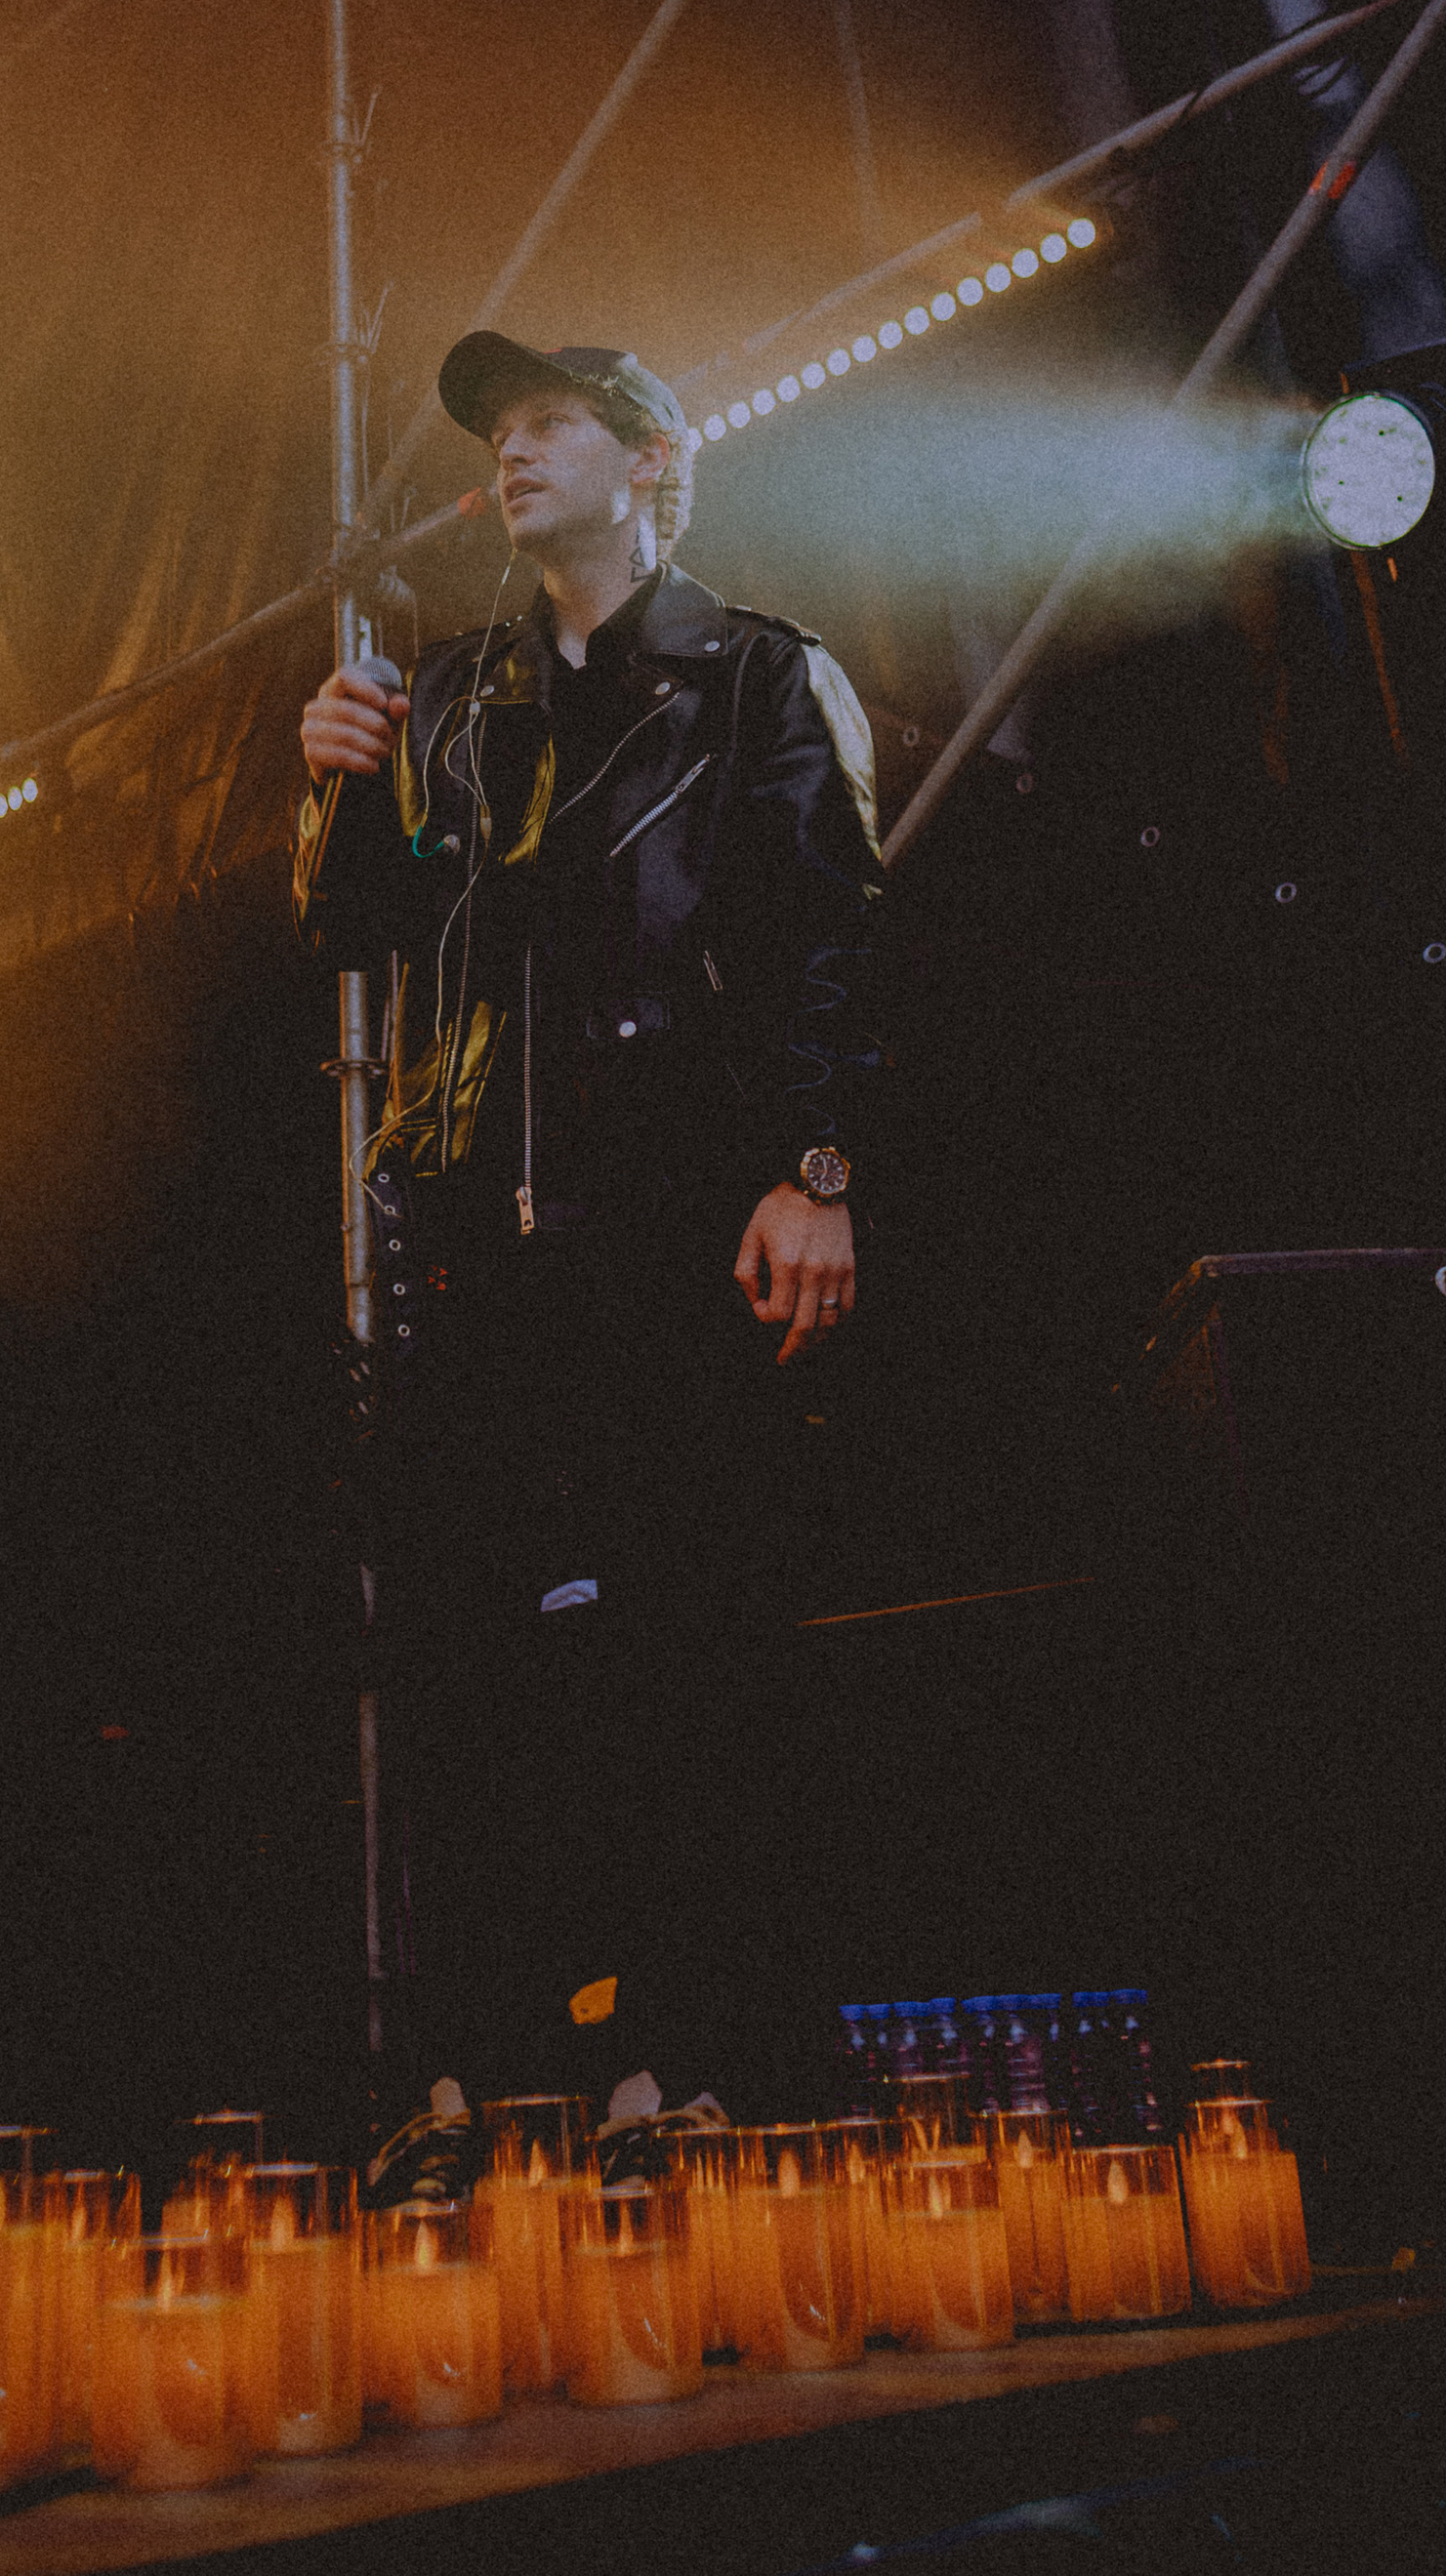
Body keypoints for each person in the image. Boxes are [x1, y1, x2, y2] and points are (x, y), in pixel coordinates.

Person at [296, 336, 882, 2123]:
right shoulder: (459, 695)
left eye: (548, 424)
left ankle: (682, 2066)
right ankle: (482, 2071)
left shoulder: (757, 675)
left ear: (647, 460)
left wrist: (819, 1168)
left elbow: (830, 937)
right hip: (477, 1226)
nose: (509, 458)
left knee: (681, 1649)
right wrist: (330, 785)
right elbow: (353, 932)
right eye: (495, 436)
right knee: (470, 1660)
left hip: (674, 1211)